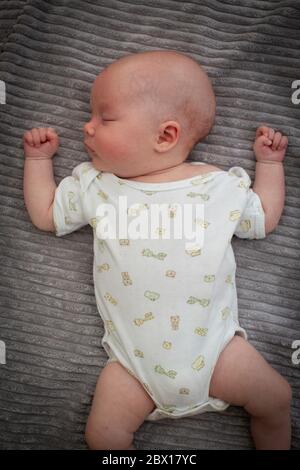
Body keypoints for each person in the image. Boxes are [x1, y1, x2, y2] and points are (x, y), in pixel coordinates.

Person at [23, 50, 292, 450]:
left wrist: (269, 165)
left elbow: (263, 217)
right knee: (102, 436)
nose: (87, 128)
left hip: (217, 352)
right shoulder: (98, 185)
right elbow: (47, 214)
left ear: (165, 136)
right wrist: (39, 160)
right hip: (133, 367)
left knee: (277, 399)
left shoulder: (216, 187)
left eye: (104, 118)